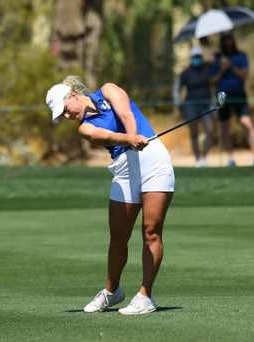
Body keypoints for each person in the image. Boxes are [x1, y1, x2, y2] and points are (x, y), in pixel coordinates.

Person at [46, 75, 175, 315]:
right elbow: (105, 137)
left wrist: (134, 136)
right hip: (125, 169)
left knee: (151, 229)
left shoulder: (108, 90)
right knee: (118, 236)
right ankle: (111, 291)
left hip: (154, 160)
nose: (66, 116)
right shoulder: (84, 128)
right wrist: (130, 139)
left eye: (64, 110)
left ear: (72, 95)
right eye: (61, 115)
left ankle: (146, 296)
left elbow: (126, 114)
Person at [210, 32, 254, 166]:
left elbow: (244, 75)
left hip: (238, 93)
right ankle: (230, 158)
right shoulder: (216, 58)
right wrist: (221, 68)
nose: (227, 43)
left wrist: (231, 66)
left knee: (247, 123)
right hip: (222, 96)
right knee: (225, 127)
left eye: (229, 40)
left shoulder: (240, 56)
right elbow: (212, 81)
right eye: (225, 41)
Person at [173, 46, 214, 167]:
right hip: (191, 105)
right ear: (191, 57)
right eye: (195, 57)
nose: (197, 59)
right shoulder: (186, 73)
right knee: (194, 133)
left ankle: (204, 157)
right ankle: (197, 159)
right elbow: (177, 90)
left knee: (210, 130)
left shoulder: (207, 69)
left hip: (206, 104)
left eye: (199, 56)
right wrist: (179, 105)